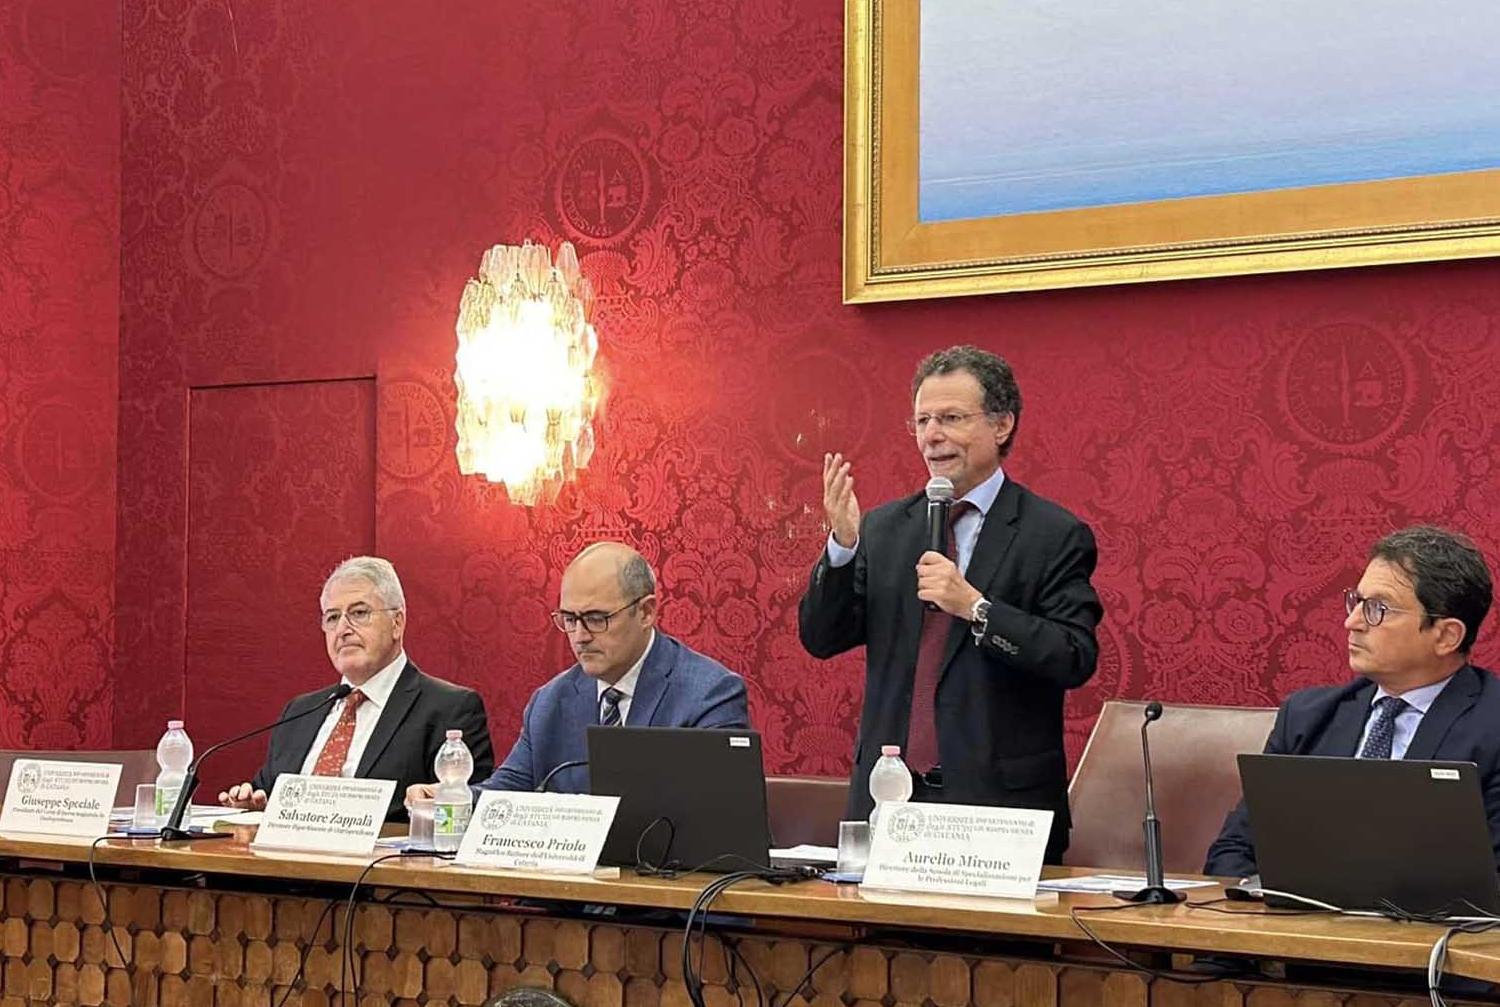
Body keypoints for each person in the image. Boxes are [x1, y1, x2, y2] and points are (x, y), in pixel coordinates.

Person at [798, 344, 1102, 863]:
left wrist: (977, 608)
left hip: (998, 811)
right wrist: (844, 547)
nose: (932, 435)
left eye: (951, 418)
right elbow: (822, 638)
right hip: (888, 798)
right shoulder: (885, 527)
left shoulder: (1052, 534)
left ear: (1002, 425)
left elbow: (1073, 655)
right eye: (922, 420)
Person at [1203, 526, 1500, 894]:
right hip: (1285, 943)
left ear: (1446, 636)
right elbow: (1234, 851)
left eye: (1378, 609)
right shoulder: (1307, 717)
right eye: (1357, 602)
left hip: (1421, 946)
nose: (1352, 623)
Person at [408, 541, 748, 801]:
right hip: (566, 890)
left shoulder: (709, 695)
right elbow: (508, 791)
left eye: (597, 618)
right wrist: (451, 798)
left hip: (662, 889)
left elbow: (718, 818)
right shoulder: (550, 702)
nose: (580, 636)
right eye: (569, 619)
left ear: (646, 612)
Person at [219, 556, 493, 820]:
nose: (343, 629)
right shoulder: (299, 711)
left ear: (397, 623)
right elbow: (266, 793)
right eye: (332, 617)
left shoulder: (450, 708)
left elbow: (462, 813)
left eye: (359, 613)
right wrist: (251, 806)